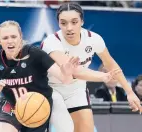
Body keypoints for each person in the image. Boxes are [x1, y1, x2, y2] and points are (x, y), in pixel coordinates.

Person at [0, 20, 117, 132]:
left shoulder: (35, 54)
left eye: (13, 36)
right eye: (5, 38)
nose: (10, 41)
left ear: (20, 37)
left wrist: (67, 71)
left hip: (39, 104)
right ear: (0, 41)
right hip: (12, 105)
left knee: (66, 127)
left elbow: (65, 79)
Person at [41, 2, 142, 132]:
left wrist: (129, 92)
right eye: (63, 23)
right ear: (58, 24)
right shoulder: (51, 42)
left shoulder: (94, 39)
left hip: (76, 89)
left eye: (74, 22)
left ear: (82, 21)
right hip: (52, 89)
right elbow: (75, 71)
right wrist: (102, 76)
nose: (69, 27)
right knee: (66, 129)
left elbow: (110, 63)